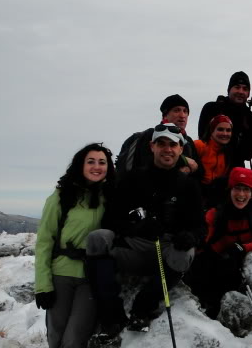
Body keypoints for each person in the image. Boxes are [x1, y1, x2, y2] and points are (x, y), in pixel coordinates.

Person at [87, 124, 205, 333]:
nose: (167, 149)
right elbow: (110, 221)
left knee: (185, 253)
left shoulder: (188, 186)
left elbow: (199, 227)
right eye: (161, 144)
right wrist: (137, 227)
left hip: (168, 252)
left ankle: (143, 306)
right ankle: (112, 314)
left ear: (180, 149)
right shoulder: (133, 180)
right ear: (152, 146)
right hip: (135, 248)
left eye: (173, 145)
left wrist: (189, 236)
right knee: (98, 238)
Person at [33, 142, 116, 348]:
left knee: (74, 343)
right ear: (81, 165)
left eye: (102, 162)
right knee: (56, 342)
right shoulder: (61, 197)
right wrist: (42, 285)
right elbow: (44, 242)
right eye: (91, 161)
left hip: (91, 278)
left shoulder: (111, 197)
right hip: (60, 274)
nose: (96, 166)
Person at [188, 167, 252, 319]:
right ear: (229, 190)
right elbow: (201, 240)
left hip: (244, 260)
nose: (241, 195)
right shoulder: (216, 213)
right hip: (216, 262)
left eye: (246, 189)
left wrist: (243, 247)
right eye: (237, 189)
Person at [115, 94, 198, 178]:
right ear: (165, 115)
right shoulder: (149, 136)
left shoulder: (188, 141)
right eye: (176, 110)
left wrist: (187, 170)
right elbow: (149, 164)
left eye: (185, 111)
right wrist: (184, 160)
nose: (182, 115)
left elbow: (199, 170)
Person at [197, 72, 252, 166]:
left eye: (245, 89)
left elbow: (248, 154)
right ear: (229, 89)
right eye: (237, 87)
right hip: (209, 165)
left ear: (248, 93)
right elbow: (203, 138)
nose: (241, 92)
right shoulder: (211, 109)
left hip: (235, 170)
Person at [194, 114, 237, 209]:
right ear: (211, 130)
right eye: (220, 129)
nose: (225, 133)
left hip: (215, 200)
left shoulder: (229, 154)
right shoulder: (199, 145)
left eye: (228, 130)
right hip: (196, 196)